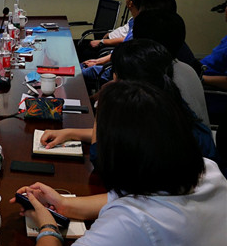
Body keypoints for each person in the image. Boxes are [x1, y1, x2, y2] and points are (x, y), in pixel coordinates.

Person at [15, 80, 227, 246]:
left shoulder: (134, 224)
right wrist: (63, 204)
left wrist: (48, 226)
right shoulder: (206, 169)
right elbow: (123, 199)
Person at [41, 39, 217, 163]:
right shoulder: (166, 100)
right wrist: (71, 133)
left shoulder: (152, 122)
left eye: (114, 72)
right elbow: (121, 137)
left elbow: (100, 155)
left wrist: (102, 106)